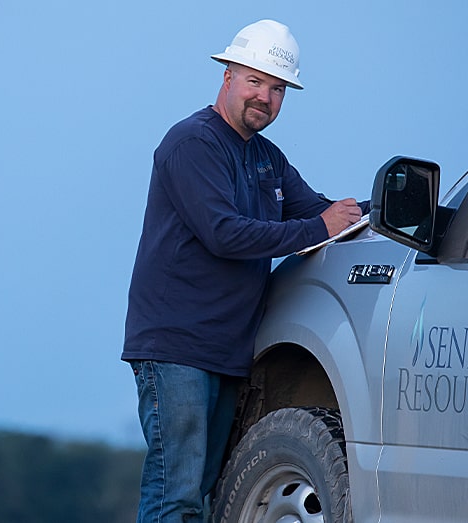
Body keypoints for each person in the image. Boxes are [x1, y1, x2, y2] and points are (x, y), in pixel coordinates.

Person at [121, 19, 368, 523]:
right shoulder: (192, 143)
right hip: (175, 348)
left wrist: (388, 209)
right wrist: (319, 224)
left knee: (209, 490)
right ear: (228, 73)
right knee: (177, 495)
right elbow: (224, 233)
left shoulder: (266, 158)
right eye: (256, 81)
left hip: (227, 350)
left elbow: (320, 215)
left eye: (278, 88)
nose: (266, 97)